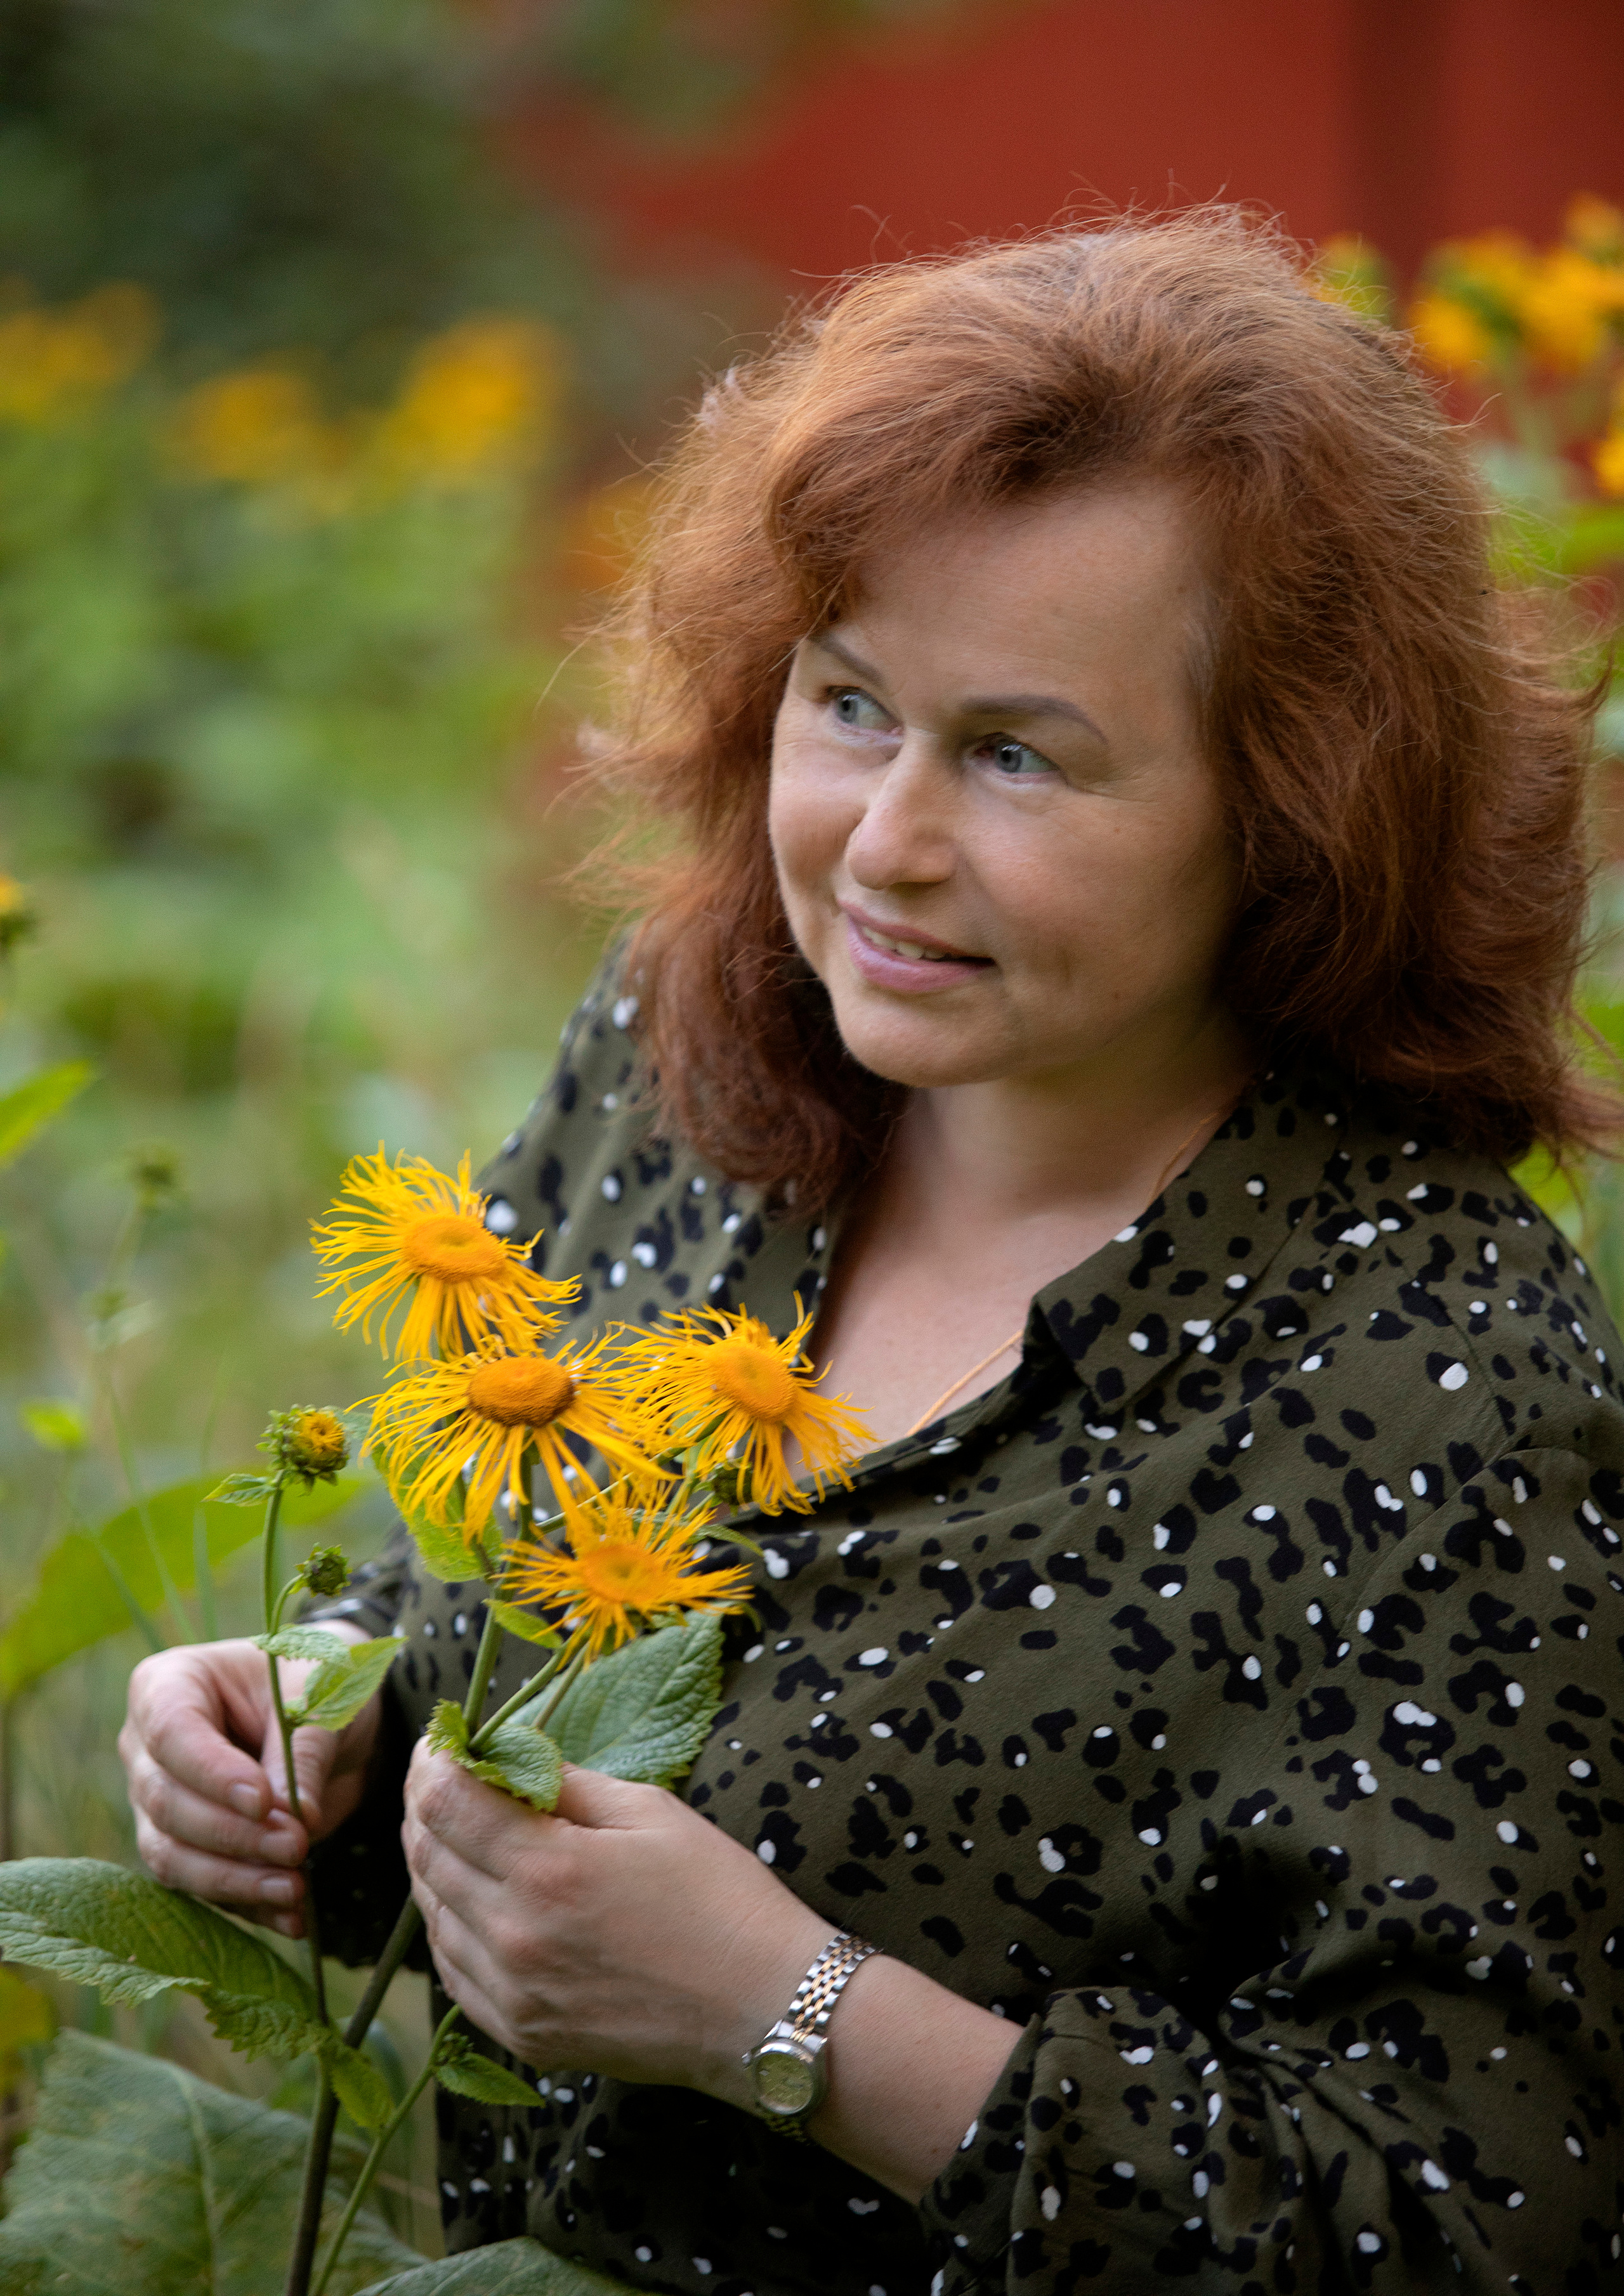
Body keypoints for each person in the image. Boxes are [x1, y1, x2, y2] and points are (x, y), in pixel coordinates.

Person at [119, 211, 1624, 2294]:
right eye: (849, 705)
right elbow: (517, 1633)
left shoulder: (1428, 1361)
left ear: (1295, 808)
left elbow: (1473, 2217)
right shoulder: (686, 1061)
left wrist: (791, 2016)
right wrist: (323, 1728)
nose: (886, 843)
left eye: (1019, 751)